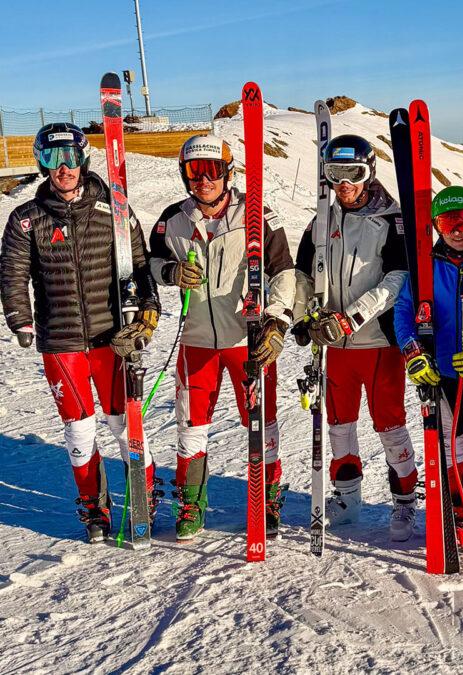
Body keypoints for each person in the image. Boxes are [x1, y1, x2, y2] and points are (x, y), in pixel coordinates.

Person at [1, 122, 160, 543]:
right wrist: (19, 317)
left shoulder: (114, 209)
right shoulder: (26, 219)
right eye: (53, 158)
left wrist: (148, 307)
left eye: (70, 156)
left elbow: (140, 264)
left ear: (84, 158)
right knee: (78, 429)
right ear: (42, 163)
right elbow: (12, 273)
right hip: (61, 339)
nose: (63, 167)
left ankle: (145, 494)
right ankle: (94, 508)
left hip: (112, 336)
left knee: (123, 423)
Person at [148, 134, 296, 542]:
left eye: (212, 170)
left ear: (227, 173)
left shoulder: (256, 213)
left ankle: (266, 498)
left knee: (260, 422)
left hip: (246, 340)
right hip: (196, 340)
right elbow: (150, 262)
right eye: (195, 171)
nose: (204, 179)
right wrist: (170, 273)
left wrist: (277, 320)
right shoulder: (173, 219)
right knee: (190, 425)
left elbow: (284, 271)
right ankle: (192, 503)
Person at [293, 134, 418, 540]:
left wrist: (350, 319)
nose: (344, 183)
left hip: (377, 342)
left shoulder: (391, 219)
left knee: (390, 426)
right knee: (339, 425)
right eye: (336, 174)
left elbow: (398, 279)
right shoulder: (321, 220)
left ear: (369, 174)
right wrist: (303, 318)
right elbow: (303, 274)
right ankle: (347, 498)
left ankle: (404, 501)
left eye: (353, 173)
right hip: (335, 347)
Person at [393, 185, 463, 554]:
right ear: (436, 227)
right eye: (446, 223)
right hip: (443, 372)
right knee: (452, 446)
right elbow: (404, 311)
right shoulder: (427, 264)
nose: (456, 231)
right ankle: (459, 511)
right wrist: (413, 352)